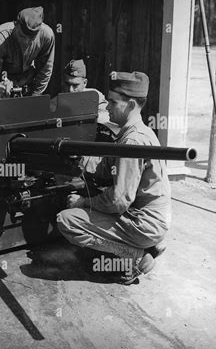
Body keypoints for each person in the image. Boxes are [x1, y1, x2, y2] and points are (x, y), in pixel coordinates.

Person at [56, 71, 170, 285]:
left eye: (112, 102)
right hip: (150, 218)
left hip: (143, 223)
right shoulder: (138, 132)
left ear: (130, 105)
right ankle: (149, 245)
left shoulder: (133, 142)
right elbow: (106, 167)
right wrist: (78, 159)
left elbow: (118, 201)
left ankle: (136, 256)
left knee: (68, 220)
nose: (107, 107)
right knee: (99, 195)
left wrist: (83, 202)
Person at [0, 6, 55, 97]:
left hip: (28, 88)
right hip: (2, 93)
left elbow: (45, 71)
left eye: (31, 39)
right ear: (16, 25)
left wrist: (35, 95)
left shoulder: (47, 35)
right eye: (21, 36)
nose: (25, 42)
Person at [63, 59, 120, 142]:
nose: (70, 90)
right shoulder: (57, 101)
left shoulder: (95, 97)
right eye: (67, 84)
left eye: (75, 85)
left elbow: (108, 122)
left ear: (85, 83)